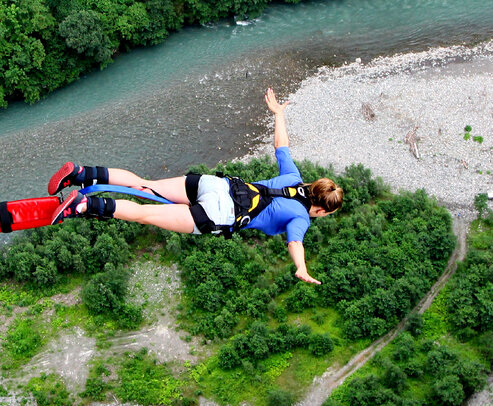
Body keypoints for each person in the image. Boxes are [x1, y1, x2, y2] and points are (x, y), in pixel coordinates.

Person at [48, 88, 342, 284]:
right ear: (320, 209)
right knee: (143, 214)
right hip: (219, 214)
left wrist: (279, 114)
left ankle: (82, 173)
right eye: (325, 214)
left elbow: (281, 145)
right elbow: (295, 243)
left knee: (144, 185)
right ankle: (84, 205)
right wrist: (301, 267)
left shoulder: (293, 178)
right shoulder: (302, 218)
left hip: (214, 185)